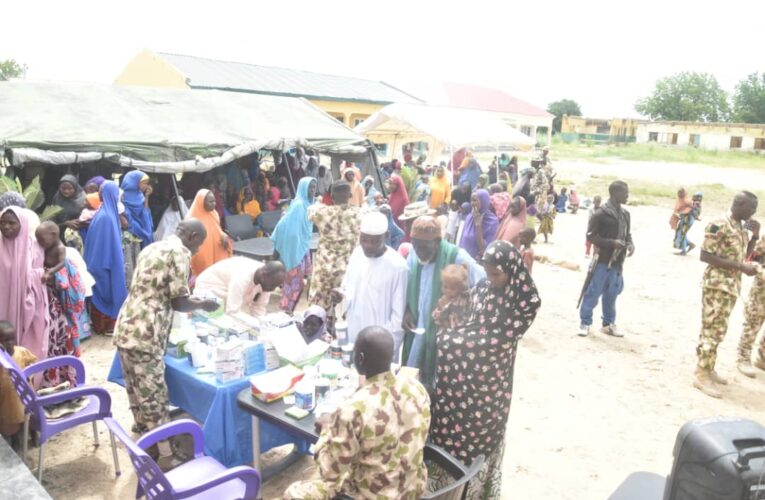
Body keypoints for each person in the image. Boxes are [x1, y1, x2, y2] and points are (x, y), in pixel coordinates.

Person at [430, 240, 540, 499]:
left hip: (491, 382)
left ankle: (474, 491)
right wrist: (446, 313)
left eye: (496, 274)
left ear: (511, 269)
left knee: (480, 435)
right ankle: (446, 482)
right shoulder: (485, 287)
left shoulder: (525, 300)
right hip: (468, 374)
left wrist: (457, 344)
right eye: (487, 273)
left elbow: (499, 340)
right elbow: (468, 311)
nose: (490, 279)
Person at [113, 219, 219, 468]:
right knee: (155, 396)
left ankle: (146, 441)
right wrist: (203, 303)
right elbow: (179, 302)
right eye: (199, 245)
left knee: (136, 389)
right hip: (146, 332)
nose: (197, 250)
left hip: (127, 323)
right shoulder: (179, 252)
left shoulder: (153, 247)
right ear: (192, 236)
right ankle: (166, 455)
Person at [283, 326, 430, 500]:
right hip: (411, 490)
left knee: (294, 492)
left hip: (371, 495)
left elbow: (330, 472)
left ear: (360, 359)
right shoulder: (416, 388)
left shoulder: (353, 409)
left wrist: (326, 432)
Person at [402, 216, 485, 386]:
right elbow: (405, 287)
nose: (419, 252)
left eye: (424, 247)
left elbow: (482, 284)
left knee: (438, 386)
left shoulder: (456, 257)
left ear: (438, 241)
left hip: (444, 338)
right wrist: (407, 310)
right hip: (416, 331)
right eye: (416, 246)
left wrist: (457, 307)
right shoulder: (413, 255)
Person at [694, 192, 759, 398]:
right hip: (716, 286)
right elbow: (705, 255)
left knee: (718, 330)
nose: (753, 212)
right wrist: (740, 266)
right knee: (711, 331)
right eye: (751, 208)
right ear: (739, 204)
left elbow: (743, 255)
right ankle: (701, 374)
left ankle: (709, 367)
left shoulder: (740, 226)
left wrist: (755, 237)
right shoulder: (719, 224)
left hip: (730, 287)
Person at [337, 212, 408, 357]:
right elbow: (347, 290)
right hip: (354, 336)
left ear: (386, 236)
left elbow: (398, 316)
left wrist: (385, 348)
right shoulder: (357, 254)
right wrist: (339, 296)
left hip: (379, 344)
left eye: (374, 241)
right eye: (364, 240)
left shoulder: (398, 266)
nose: (368, 246)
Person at [578, 181, 635, 338]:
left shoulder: (625, 214)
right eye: (625, 192)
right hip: (602, 260)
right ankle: (585, 322)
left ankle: (608, 324)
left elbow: (627, 234)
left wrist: (630, 244)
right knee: (593, 293)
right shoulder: (601, 214)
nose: (627, 195)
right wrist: (611, 243)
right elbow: (591, 236)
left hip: (617, 262)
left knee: (612, 294)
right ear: (615, 193)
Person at [35, 222, 87, 386]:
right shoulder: (44, 247)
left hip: (60, 292)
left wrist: (52, 272)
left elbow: (63, 264)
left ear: (53, 235)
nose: (39, 242)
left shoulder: (60, 248)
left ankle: (67, 376)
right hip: (51, 293)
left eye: (42, 239)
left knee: (64, 335)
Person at [0, 207, 49, 364]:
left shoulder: (33, 247)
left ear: (23, 224)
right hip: (2, 305)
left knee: (28, 344)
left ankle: (27, 379)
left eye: (12, 223)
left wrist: (39, 274)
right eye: (2, 222)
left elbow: (42, 274)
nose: (6, 227)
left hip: (26, 304)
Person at [308, 181, 361, 311]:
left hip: (325, 271)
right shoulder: (360, 214)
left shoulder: (322, 213)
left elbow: (311, 209)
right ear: (350, 195)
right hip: (347, 271)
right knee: (344, 311)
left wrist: (319, 201)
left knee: (319, 310)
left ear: (331, 196)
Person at [84, 181, 127, 335]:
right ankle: (106, 326)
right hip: (103, 263)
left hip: (101, 261)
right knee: (107, 292)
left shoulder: (105, 213)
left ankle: (105, 325)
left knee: (105, 292)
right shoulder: (107, 217)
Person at [271, 177, 316, 312]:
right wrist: (293, 247)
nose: (313, 191)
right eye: (310, 188)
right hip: (294, 252)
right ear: (303, 188)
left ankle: (289, 311)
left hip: (302, 250)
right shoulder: (298, 206)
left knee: (300, 285)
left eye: (314, 187)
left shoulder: (307, 205)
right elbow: (285, 228)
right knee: (293, 285)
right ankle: (285, 312)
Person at [196, 258, 286, 317]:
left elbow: (259, 308)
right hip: (210, 285)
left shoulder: (268, 279)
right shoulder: (242, 276)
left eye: (276, 286)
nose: (273, 289)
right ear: (263, 276)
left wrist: (263, 327)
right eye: (272, 285)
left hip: (227, 288)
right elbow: (232, 311)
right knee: (217, 319)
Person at [0, 321, 38, 446]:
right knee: (12, 421)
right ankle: (16, 442)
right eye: (5, 340)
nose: (10, 343)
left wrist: (29, 375)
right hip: (8, 398)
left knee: (30, 416)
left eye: (12, 339)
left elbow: (34, 362)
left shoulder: (21, 352)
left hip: (25, 393)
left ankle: (34, 435)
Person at [187, 189, 232, 278]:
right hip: (202, 254)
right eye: (210, 201)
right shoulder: (192, 218)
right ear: (201, 202)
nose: (214, 204)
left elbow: (217, 229)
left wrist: (223, 235)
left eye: (214, 201)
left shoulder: (214, 213)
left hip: (216, 251)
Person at [737, 236, 765, 378]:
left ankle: (762, 357)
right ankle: (743, 357)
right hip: (762, 290)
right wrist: (761, 271)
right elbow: (752, 258)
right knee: (753, 323)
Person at [459, 189, 499, 259]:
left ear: (484, 201)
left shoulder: (492, 221)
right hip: (463, 260)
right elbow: (462, 240)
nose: (472, 203)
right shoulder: (469, 217)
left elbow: (485, 250)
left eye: (475, 200)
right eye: (471, 200)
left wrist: (478, 225)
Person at [431, 264, 471, 330]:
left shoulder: (464, 299)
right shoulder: (443, 299)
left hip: (459, 332)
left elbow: (460, 320)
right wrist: (441, 311)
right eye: (445, 287)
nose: (448, 290)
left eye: (452, 288)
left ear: (460, 288)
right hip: (444, 333)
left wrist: (446, 307)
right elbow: (435, 317)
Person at [52, 175, 87, 243]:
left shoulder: (83, 199)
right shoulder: (57, 197)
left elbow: (87, 219)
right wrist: (65, 223)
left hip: (77, 237)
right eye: (63, 188)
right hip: (58, 235)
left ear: (75, 187)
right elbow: (52, 216)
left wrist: (78, 223)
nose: (66, 191)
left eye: (70, 188)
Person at [671, 188, 696, 255]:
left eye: (681, 193)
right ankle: (689, 244)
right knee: (680, 233)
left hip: (687, 219)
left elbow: (689, 209)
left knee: (682, 234)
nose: (679, 195)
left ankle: (684, 251)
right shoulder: (681, 199)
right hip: (685, 219)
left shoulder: (686, 200)